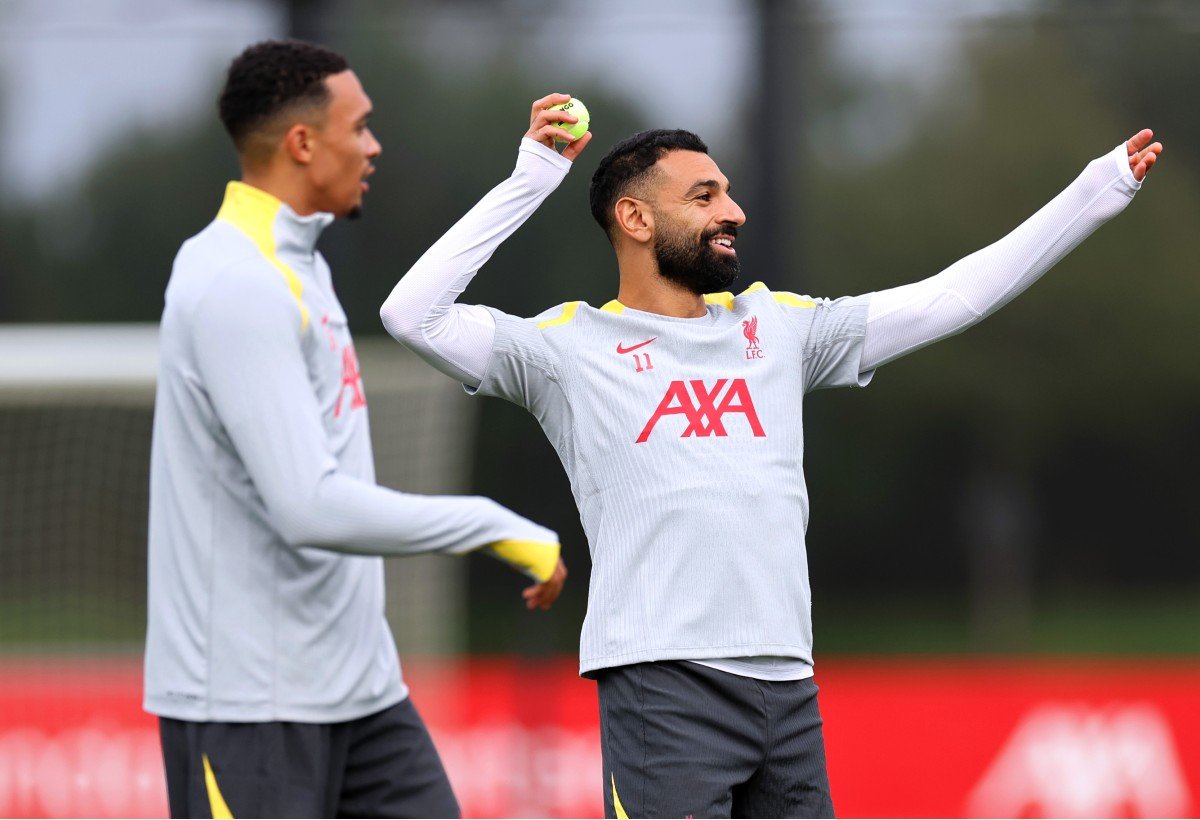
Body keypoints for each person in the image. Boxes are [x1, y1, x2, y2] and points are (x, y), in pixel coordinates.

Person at [380, 93, 1162, 818]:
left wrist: (1097, 191)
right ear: (634, 218)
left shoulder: (780, 328)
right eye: (705, 196)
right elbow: (412, 314)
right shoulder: (565, 347)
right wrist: (534, 176)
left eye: (728, 191)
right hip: (662, 687)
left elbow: (953, 296)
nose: (735, 211)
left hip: (788, 689)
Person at [144, 42, 567, 819]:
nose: (374, 146)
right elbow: (309, 506)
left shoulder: (299, 263)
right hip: (247, 709)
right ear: (303, 143)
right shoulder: (234, 280)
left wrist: (528, 178)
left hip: (363, 694)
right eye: (361, 127)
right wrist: (486, 522)